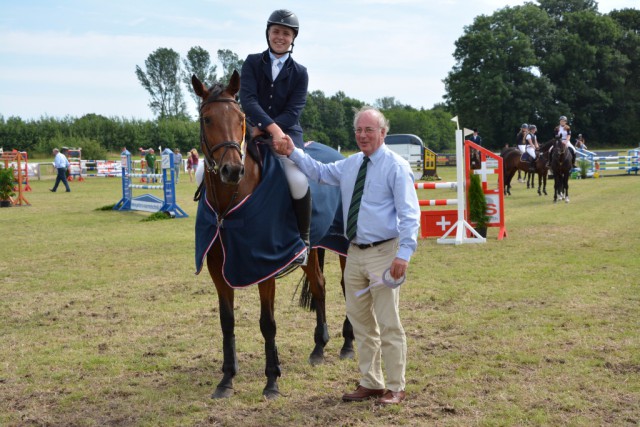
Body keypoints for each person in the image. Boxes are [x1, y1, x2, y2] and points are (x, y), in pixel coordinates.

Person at [273, 106, 421, 405]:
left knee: (388, 322)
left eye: (369, 130)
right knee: (361, 321)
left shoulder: (396, 166)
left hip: (384, 253)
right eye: (359, 130)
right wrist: (293, 152)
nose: (363, 135)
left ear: (383, 132)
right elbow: (320, 172)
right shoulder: (351, 164)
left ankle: (396, 386)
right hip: (355, 253)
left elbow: (409, 214)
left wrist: (403, 255)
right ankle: (371, 382)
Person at [239, 9, 312, 265]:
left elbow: (293, 111)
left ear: (293, 38)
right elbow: (247, 99)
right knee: (219, 169)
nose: (280, 37)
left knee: (298, 179)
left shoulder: (300, 72)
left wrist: (272, 130)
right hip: (253, 133)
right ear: (268, 34)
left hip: (287, 134)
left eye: (285, 33)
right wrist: (266, 128)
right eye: (276, 31)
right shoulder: (251, 62)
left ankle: (303, 241)